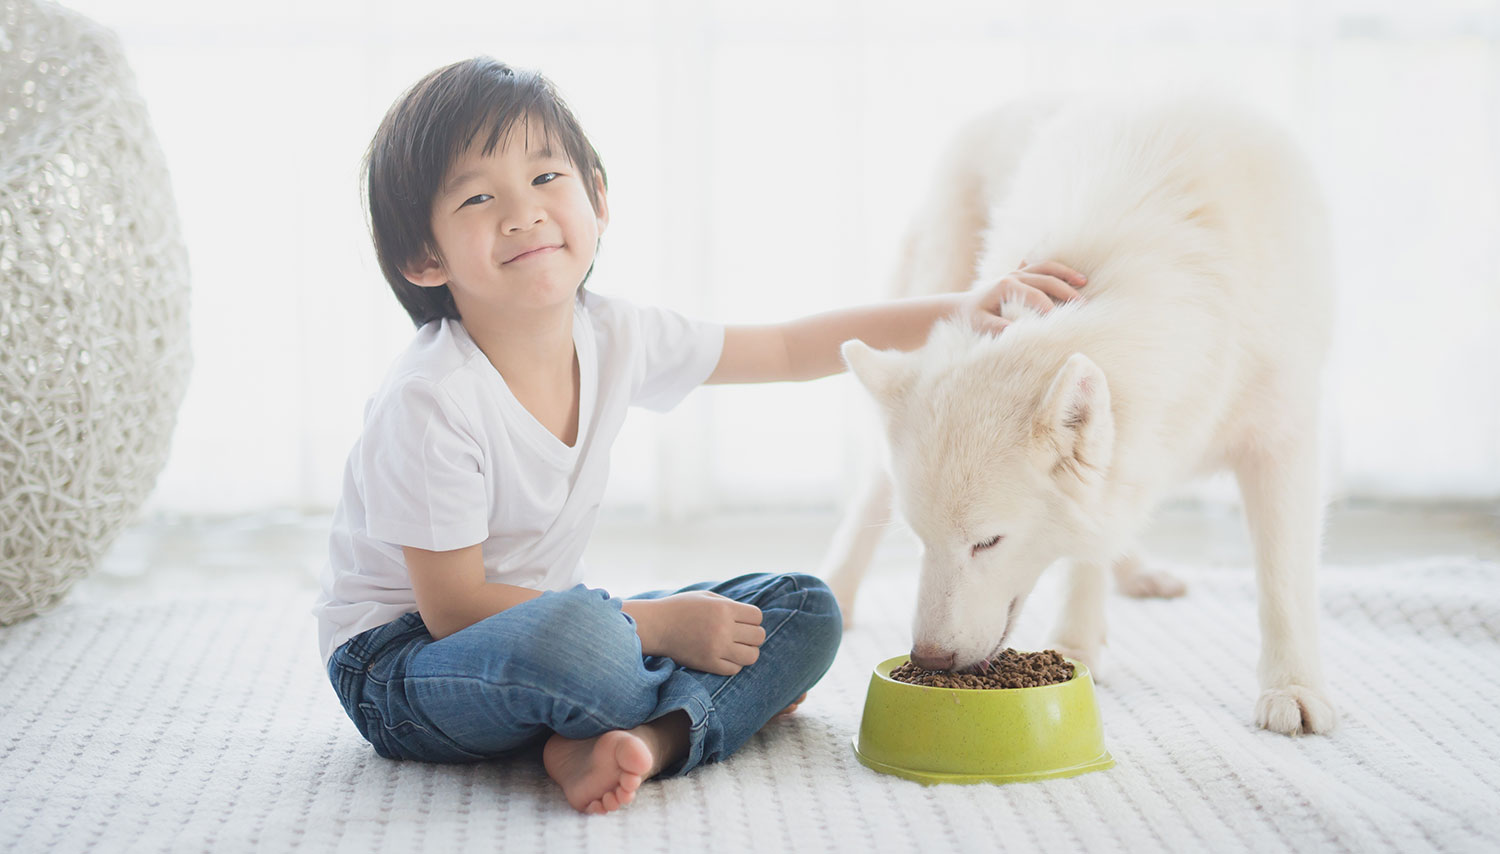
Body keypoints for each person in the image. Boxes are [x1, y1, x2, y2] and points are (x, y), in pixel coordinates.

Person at [313, 56, 1087, 816]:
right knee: (582, 644)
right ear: (424, 256)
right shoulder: (432, 400)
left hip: (566, 626)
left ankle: (642, 740)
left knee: (804, 610)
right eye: (479, 197)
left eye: (547, 178)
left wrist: (961, 308)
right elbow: (453, 609)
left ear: (600, 200)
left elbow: (785, 348)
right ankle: (657, 703)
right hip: (405, 666)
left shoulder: (614, 333)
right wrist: (654, 625)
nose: (524, 212)